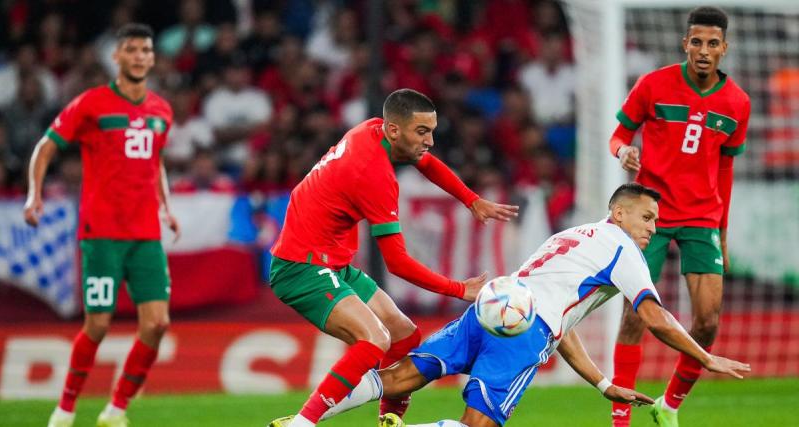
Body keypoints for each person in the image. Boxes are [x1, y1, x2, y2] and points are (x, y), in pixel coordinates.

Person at [313, 183, 750, 427]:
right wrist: (704, 356)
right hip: (523, 332)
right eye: (647, 217)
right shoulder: (623, 252)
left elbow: (561, 320)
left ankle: (304, 420)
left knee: (402, 376)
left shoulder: (573, 236)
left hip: (495, 303)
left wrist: (601, 384)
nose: (653, 229)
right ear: (618, 213)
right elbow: (654, 316)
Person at [267, 88, 519, 427]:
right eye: (422, 132)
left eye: (431, 131)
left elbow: (426, 162)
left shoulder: (372, 129)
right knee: (375, 339)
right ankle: (303, 423)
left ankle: (388, 419)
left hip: (333, 261)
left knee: (404, 336)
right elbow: (397, 264)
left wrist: (471, 199)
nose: (429, 140)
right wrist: (459, 289)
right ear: (394, 130)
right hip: (302, 266)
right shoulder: (374, 174)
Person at [24, 24, 178, 427]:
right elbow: (46, 146)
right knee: (98, 323)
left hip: (145, 234)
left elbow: (156, 161)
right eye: (132, 49)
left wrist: (167, 204)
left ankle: (117, 409)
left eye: (146, 49)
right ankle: (66, 408)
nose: (140, 56)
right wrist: (33, 194)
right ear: (117, 57)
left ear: (152, 57)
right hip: (102, 233)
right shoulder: (91, 104)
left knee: (158, 323)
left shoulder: (162, 110)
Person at [607, 7, 750, 427]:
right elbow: (619, 135)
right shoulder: (653, 85)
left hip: (702, 217)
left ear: (724, 48)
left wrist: (722, 229)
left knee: (707, 321)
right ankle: (620, 419)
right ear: (684, 43)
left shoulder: (737, 102)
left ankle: (668, 406)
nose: (703, 51)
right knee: (635, 313)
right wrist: (623, 152)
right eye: (696, 42)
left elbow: (725, 169)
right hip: (649, 213)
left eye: (712, 43)